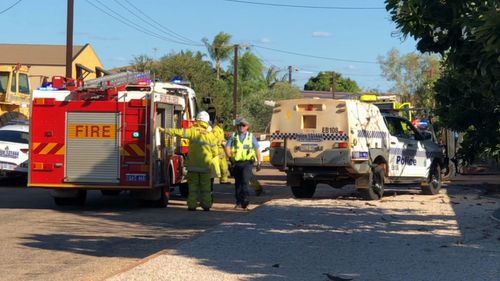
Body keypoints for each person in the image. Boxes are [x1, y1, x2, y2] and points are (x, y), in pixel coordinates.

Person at [159, 111, 219, 211]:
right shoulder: (211, 135)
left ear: (198, 120)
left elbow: (179, 132)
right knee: (206, 189)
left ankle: (192, 205)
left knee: (193, 188)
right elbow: (215, 152)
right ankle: (206, 205)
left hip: (193, 166)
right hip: (205, 166)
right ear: (207, 121)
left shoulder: (192, 131)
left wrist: (165, 130)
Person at [225, 117, 261, 210]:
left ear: (247, 127)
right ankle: (238, 202)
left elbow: (257, 149)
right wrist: (230, 157)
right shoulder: (234, 136)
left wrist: (259, 162)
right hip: (236, 163)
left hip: (247, 163)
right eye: (240, 125)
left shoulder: (251, 137)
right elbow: (227, 147)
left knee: (245, 181)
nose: (241, 127)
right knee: (238, 183)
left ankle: (245, 201)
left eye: (243, 125)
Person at [212, 118, 230, 184]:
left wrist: (224, 141)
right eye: (220, 122)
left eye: (222, 122)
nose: (221, 123)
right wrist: (221, 142)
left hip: (221, 149)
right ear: (217, 122)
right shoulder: (215, 130)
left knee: (224, 166)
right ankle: (220, 180)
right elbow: (213, 139)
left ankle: (224, 180)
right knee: (217, 166)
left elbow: (221, 138)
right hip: (217, 149)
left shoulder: (221, 130)